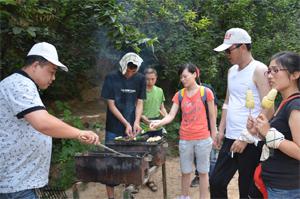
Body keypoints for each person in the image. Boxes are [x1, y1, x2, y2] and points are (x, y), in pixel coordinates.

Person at [0, 42, 99, 199]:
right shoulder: (19, 84)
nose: (53, 78)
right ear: (36, 65)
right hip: (17, 184)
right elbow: (43, 123)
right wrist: (79, 133)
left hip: (22, 181)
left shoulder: (24, 85)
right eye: (51, 71)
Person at [209, 28, 273, 198]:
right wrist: (221, 129)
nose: (226, 55)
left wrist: (246, 137)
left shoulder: (259, 69)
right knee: (216, 181)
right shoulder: (231, 71)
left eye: (229, 50)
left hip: (251, 140)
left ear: (243, 47)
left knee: (246, 187)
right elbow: (228, 103)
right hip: (230, 136)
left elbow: (269, 108)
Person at [150, 63, 217, 199]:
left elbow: (212, 115)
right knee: (186, 172)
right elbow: (170, 115)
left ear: (194, 74)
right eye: (181, 77)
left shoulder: (206, 92)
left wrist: (214, 135)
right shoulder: (179, 95)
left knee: (203, 172)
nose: (183, 79)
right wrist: (159, 122)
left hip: (203, 139)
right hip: (185, 139)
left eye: (185, 76)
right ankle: (184, 196)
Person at [247, 52, 300, 198]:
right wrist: (258, 131)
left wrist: (269, 132)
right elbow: (280, 139)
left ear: (295, 74)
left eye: (276, 70)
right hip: (274, 184)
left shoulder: (295, 105)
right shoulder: (284, 103)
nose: (270, 76)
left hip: (287, 189)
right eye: (269, 71)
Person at [100, 52, 146, 199]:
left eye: (133, 71)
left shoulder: (140, 79)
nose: (129, 73)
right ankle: (111, 197)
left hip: (131, 127)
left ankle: (128, 193)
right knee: (110, 162)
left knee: (130, 160)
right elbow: (111, 105)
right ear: (122, 64)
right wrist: (126, 123)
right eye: (128, 70)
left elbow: (139, 102)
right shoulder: (111, 78)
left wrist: (136, 122)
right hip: (114, 127)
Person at [140, 67, 168, 192]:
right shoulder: (140, 91)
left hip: (157, 124)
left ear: (156, 78)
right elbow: (139, 112)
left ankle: (149, 178)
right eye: (147, 79)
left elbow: (162, 108)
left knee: (156, 153)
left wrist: (166, 117)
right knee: (144, 154)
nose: (150, 82)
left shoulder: (160, 90)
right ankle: (142, 179)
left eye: (152, 79)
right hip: (144, 126)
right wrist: (147, 121)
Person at [190, 83, 218, 187]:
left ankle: (213, 179)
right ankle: (198, 176)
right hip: (194, 130)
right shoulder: (186, 91)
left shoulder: (207, 89)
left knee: (211, 156)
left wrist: (213, 128)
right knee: (196, 154)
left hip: (208, 128)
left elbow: (214, 107)